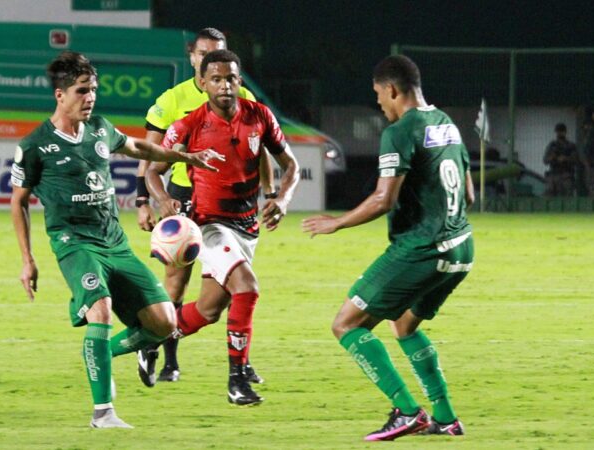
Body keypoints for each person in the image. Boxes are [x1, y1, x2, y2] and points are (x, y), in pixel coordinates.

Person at [10, 51, 224, 429]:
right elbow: (19, 202)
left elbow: (141, 148)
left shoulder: (100, 129)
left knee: (163, 323)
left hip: (115, 242)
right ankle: (103, 413)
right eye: (81, 90)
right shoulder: (34, 146)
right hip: (74, 242)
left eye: (93, 89)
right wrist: (27, 259)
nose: (90, 97)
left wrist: (186, 157)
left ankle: (101, 352)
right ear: (60, 95)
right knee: (102, 308)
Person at [302, 55, 474, 441]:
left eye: (378, 94)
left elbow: (383, 200)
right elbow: (469, 193)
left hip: (422, 249)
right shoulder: (446, 123)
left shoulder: (399, 131)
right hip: (462, 247)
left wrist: (337, 222)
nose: (379, 102)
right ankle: (445, 418)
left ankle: (407, 411)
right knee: (405, 323)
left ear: (392, 89)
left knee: (346, 324)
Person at [146, 49, 299, 406]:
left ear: (239, 81)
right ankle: (237, 381)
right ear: (202, 83)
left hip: (247, 227)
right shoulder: (189, 125)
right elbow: (153, 170)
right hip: (210, 225)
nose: (225, 86)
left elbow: (289, 164)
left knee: (208, 311)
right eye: (216, 79)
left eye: (231, 78)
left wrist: (282, 199)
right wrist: (163, 200)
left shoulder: (259, 116)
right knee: (247, 288)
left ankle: (149, 339)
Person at [543, 123, 578, 196]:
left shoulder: (571, 146)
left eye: (561, 131)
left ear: (565, 132)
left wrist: (565, 158)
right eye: (558, 132)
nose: (559, 133)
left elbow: (575, 160)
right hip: (554, 174)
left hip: (566, 174)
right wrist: (552, 157)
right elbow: (545, 160)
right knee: (549, 193)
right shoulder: (552, 145)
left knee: (567, 194)